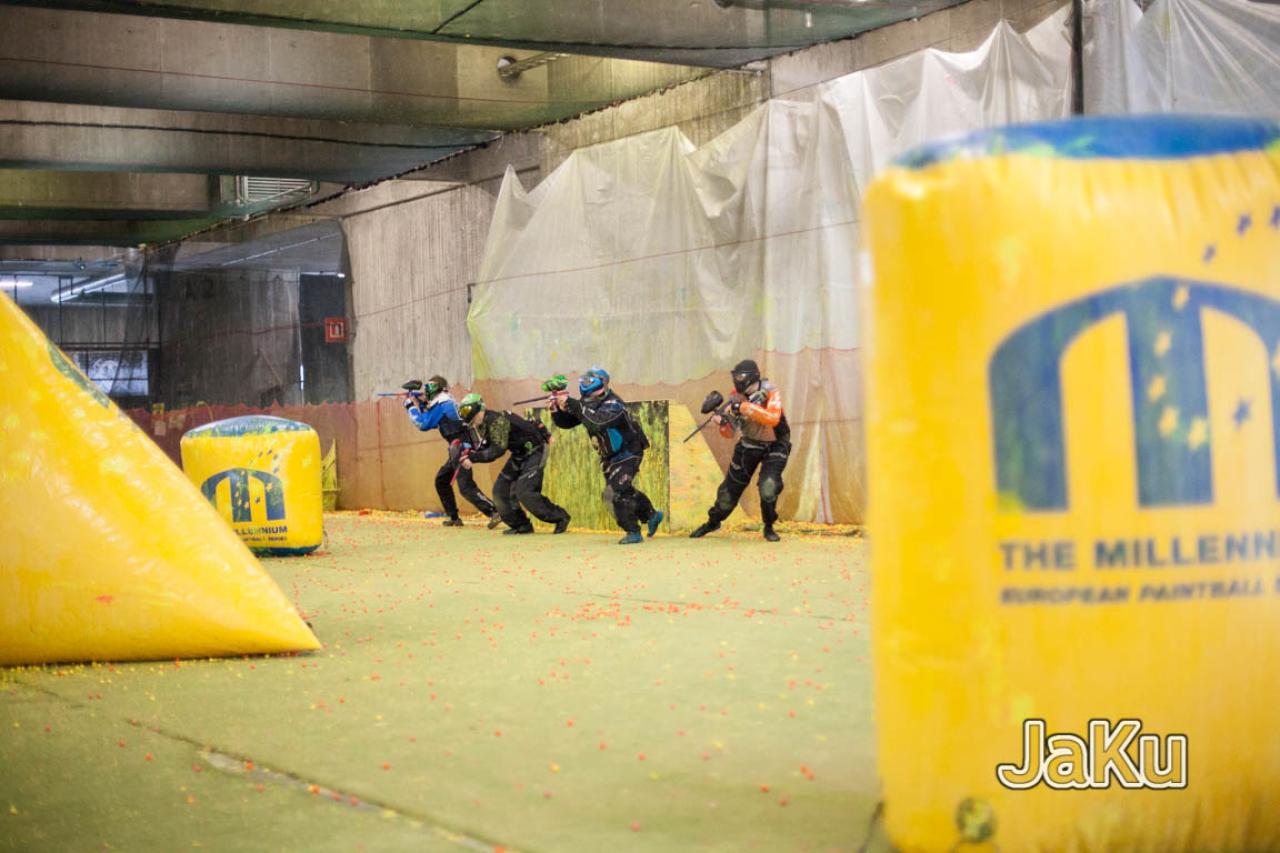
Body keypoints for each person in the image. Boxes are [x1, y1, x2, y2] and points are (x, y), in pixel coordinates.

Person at [548, 367, 662, 544]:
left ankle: (633, 531)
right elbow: (568, 423)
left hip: (629, 451)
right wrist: (556, 410)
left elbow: (597, 422)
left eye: (589, 381)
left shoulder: (614, 404)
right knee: (624, 489)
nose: (586, 384)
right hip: (609, 455)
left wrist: (572, 403)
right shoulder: (587, 402)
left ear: (602, 383)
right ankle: (652, 515)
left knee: (613, 492)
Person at [690, 359, 790, 542]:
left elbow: (773, 418)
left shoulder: (770, 390)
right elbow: (730, 433)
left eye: (741, 376)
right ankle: (713, 521)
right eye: (736, 377)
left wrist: (742, 407)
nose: (738, 380)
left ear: (753, 376)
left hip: (776, 444)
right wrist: (723, 423)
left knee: (769, 486)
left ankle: (769, 526)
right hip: (749, 444)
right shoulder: (735, 397)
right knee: (728, 493)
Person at [455, 392, 570, 535]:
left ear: (479, 408)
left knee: (525, 492)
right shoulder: (482, 424)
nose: (467, 417)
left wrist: (472, 457)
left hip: (536, 450)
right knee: (500, 492)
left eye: (467, 411)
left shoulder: (496, 420)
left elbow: (497, 450)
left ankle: (561, 517)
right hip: (519, 454)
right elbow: (487, 447)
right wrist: (467, 454)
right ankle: (522, 525)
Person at [402, 375, 499, 528]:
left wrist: (410, 406)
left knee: (465, 487)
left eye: (429, 388)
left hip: (461, 446)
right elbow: (433, 419)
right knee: (442, 481)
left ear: (437, 389)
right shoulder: (444, 401)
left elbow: (423, 424)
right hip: (458, 446)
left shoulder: (443, 404)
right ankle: (454, 517)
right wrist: (421, 403)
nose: (426, 392)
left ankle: (494, 512)